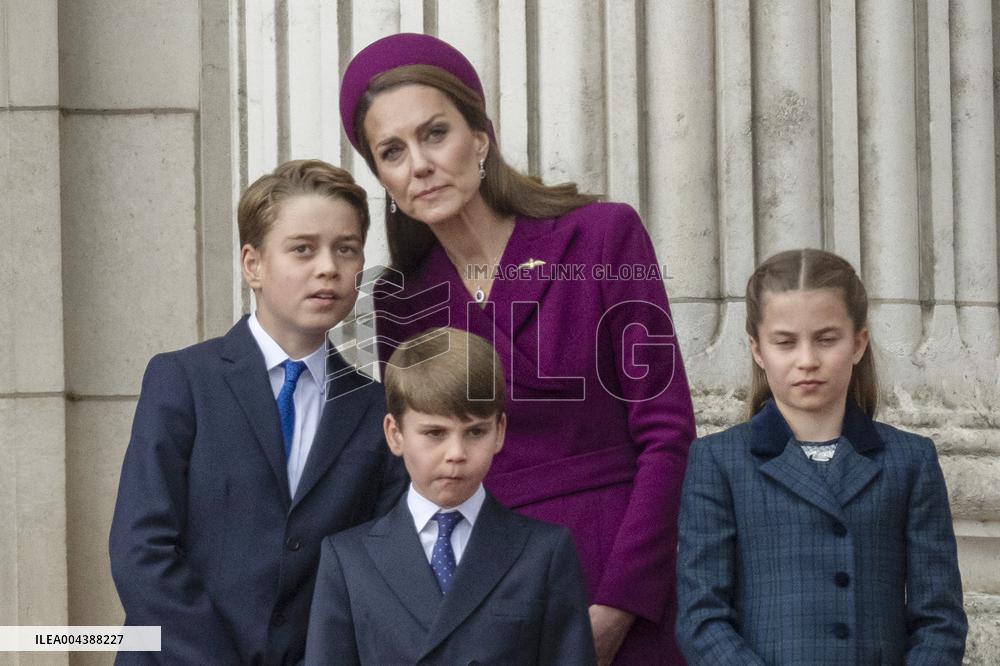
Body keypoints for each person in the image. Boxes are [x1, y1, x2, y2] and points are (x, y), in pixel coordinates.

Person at [338, 33, 696, 664]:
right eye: (392, 151)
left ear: (481, 137)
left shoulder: (602, 237)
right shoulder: (400, 300)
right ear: (382, 178)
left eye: (435, 134)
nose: (418, 164)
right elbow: (423, 470)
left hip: (622, 573)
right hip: (490, 591)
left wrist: (621, 603)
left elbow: (668, 432)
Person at [109, 159, 407, 664]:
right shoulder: (183, 380)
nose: (328, 267)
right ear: (253, 265)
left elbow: (377, 573)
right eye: (302, 249)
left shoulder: (376, 409)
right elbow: (141, 550)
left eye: (346, 248)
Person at [675, 248, 967, 664]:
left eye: (827, 340)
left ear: (858, 343)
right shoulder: (718, 461)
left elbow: (940, 619)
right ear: (757, 349)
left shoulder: (910, 460)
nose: (808, 360)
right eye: (785, 343)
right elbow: (702, 616)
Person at [304, 327, 596, 664]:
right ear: (395, 434)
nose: (456, 453)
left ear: (499, 431)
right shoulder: (348, 560)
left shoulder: (544, 553)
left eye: (475, 432)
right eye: (435, 433)